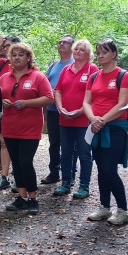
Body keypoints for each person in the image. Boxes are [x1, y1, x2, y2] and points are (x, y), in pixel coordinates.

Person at [82, 39, 128, 226]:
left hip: (115, 128)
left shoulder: (123, 75)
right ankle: (104, 206)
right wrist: (92, 119)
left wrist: (102, 120)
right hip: (96, 127)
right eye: (98, 52)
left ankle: (123, 210)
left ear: (114, 54)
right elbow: (86, 102)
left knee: (109, 169)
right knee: (101, 168)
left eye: (104, 52)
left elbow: (122, 104)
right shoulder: (94, 76)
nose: (100, 55)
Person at [0, 42, 54, 215]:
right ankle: (21, 197)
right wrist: (1, 102)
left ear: (28, 57)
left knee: (25, 162)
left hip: (30, 128)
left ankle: (33, 198)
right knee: (16, 163)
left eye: (20, 55)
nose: (16, 58)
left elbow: (49, 98)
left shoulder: (38, 77)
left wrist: (27, 103)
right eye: (14, 55)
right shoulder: (4, 78)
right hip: (10, 126)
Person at [53, 39, 98, 199]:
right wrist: (60, 108)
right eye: (76, 49)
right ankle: (66, 182)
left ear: (89, 54)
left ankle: (84, 185)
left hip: (84, 119)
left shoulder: (92, 69)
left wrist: (80, 111)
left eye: (82, 50)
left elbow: (95, 95)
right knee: (66, 152)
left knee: (84, 153)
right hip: (65, 118)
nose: (78, 51)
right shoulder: (66, 69)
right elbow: (58, 90)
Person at [0, 36, 20, 191]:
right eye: (4, 46)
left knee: (19, 146)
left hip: (21, 112)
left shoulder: (28, 67)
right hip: (3, 110)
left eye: (8, 46)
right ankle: (4, 177)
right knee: (4, 143)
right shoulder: (2, 63)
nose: (5, 49)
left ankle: (19, 178)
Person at [42, 35, 74, 184]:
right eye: (60, 42)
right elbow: (45, 81)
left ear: (72, 47)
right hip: (52, 110)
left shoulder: (75, 64)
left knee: (69, 144)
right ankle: (54, 172)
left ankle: (70, 174)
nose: (61, 44)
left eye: (65, 42)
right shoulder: (54, 65)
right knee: (54, 143)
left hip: (68, 111)